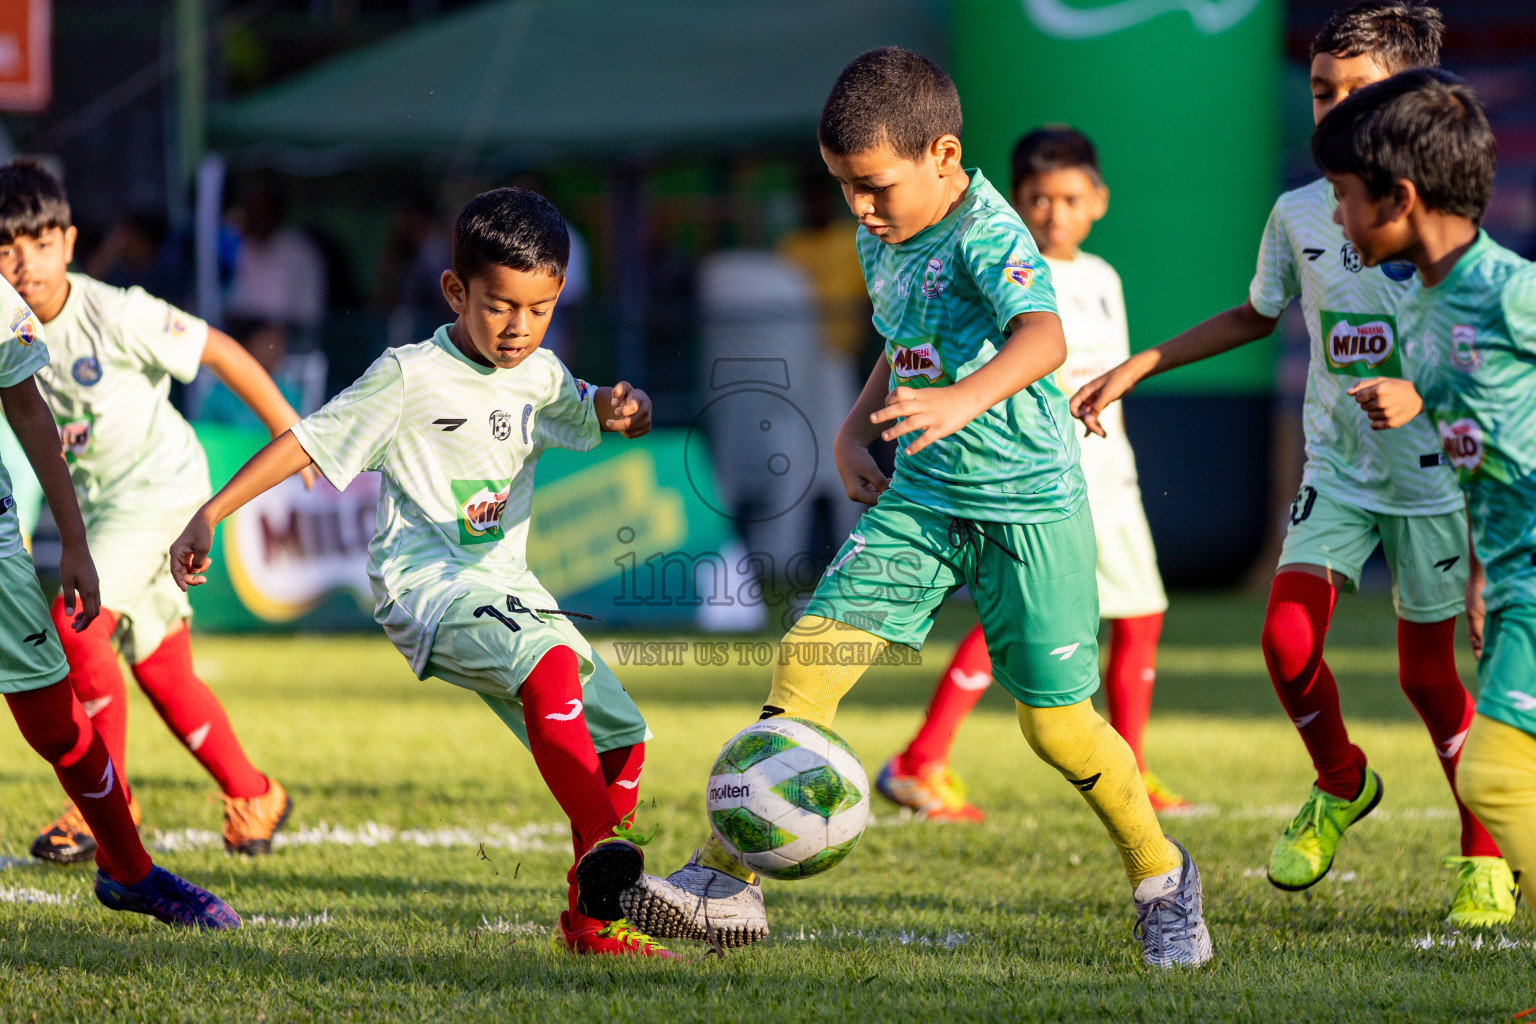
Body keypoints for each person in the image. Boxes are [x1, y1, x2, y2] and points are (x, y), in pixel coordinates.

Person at [623, 47, 1213, 968]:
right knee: (808, 664)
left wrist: (961, 399)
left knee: (1054, 725)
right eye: (843, 187)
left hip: (1028, 509)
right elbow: (905, 342)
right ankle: (723, 883)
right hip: (926, 498)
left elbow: (1045, 338)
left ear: (943, 157)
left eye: (872, 186)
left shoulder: (989, 231)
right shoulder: (881, 231)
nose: (858, 207)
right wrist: (854, 428)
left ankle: (1162, 878)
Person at [1070, 1, 1515, 928]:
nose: (1332, 106)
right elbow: (1256, 314)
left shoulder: (1445, 227)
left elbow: (1483, 365)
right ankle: (1342, 780)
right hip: (1340, 472)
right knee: (1284, 642)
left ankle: (1482, 855)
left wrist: (1424, 408)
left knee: (1431, 681)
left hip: (1433, 481)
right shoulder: (1304, 211)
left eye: (1357, 91)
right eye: (1321, 91)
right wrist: (1140, 364)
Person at [169, 187, 674, 958]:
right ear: (455, 290)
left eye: (538, 310)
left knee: (625, 740)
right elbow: (308, 440)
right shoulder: (408, 375)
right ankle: (611, 857)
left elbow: (593, 408)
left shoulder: (539, 375)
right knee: (548, 672)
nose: (519, 328)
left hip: (508, 587)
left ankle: (590, 922)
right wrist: (212, 511)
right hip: (427, 586)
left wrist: (621, 406)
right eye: (500, 305)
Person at [876, 126, 1185, 822]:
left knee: (1140, 616)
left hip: (1110, 479)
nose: (1054, 212)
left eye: (1070, 197)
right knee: (1013, 622)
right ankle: (921, 760)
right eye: (1038, 199)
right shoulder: (1000, 272)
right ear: (1016, 202)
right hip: (1035, 482)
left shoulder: (1105, 278)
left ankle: (1129, 770)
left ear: (1098, 200)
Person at [0, 159, 297, 863]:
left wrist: (291, 430)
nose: (24, 264)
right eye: (6, 249)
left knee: (76, 627)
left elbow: (220, 350)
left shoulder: (117, 312)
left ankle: (104, 800)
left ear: (69, 244)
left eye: (40, 244)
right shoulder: (7, 330)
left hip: (163, 494)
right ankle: (255, 791)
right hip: (105, 507)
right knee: (165, 669)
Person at [1322, 68, 1536, 913]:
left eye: (1343, 196)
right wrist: (1484, 571)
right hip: (1514, 579)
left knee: (1491, 775)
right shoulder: (1421, 307)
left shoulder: (1509, 292)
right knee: (1497, 777)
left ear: (1399, 196)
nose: (1336, 215)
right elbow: (1481, 452)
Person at [0, 274, 238, 929]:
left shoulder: (103, 311)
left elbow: (25, 407)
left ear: (68, 241)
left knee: (74, 707)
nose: (22, 261)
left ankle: (132, 865)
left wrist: (72, 541)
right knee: (134, 656)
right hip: (125, 518)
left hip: (151, 507)